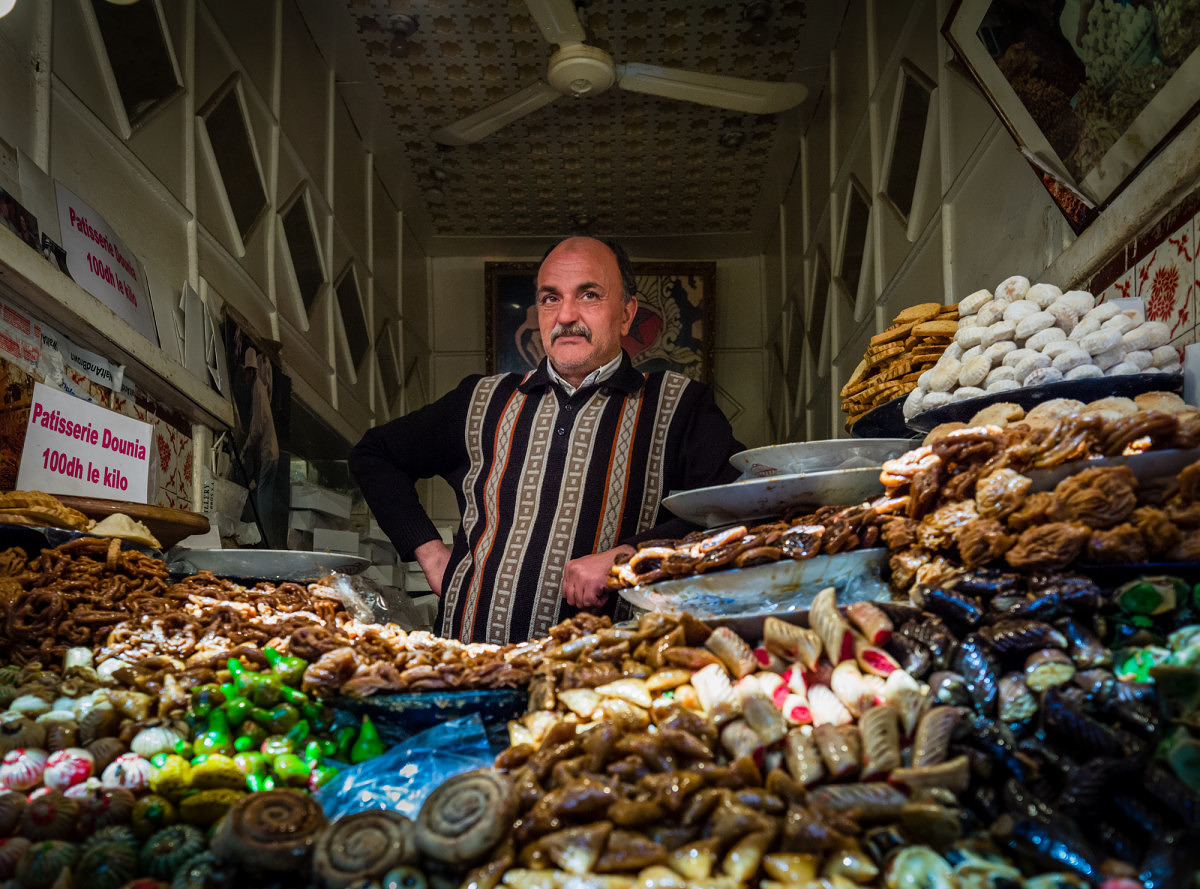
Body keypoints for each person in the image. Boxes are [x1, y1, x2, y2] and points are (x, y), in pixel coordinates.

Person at [350, 236, 743, 644]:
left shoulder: (678, 404)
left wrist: (631, 554)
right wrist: (429, 554)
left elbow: (740, 505)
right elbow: (374, 454)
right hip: (466, 665)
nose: (566, 315)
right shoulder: (481, 399)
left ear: (626, 315)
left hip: (599, 683)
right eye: (550, 298)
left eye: (589, 295)